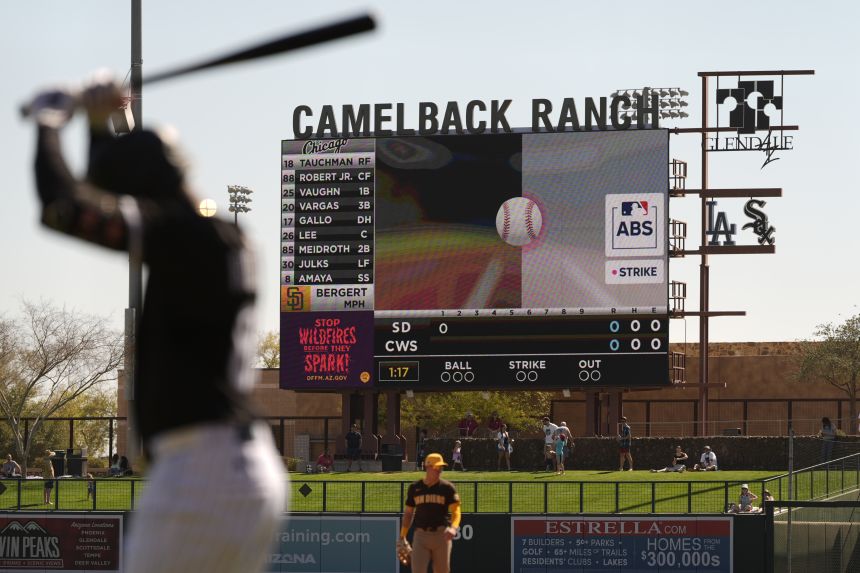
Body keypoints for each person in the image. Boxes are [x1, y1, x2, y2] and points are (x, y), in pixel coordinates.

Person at [28, 75, 286, 573]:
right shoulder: (221, 234)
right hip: (240, 467)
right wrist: (105, 123)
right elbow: (114, 187)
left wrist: (49, 121)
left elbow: (63, 206)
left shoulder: (187, 238)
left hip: (201, 470)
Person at [399, 453, 461, 573]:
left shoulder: (447, 488)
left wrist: (453, 528)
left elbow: (456, 511)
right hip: (421, 536)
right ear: (427, 467)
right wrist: (402, 536)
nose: (439, 470)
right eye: (436, 467)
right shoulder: (415, 488)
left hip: (441, 536)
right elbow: (408, 513)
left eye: (441, 468)